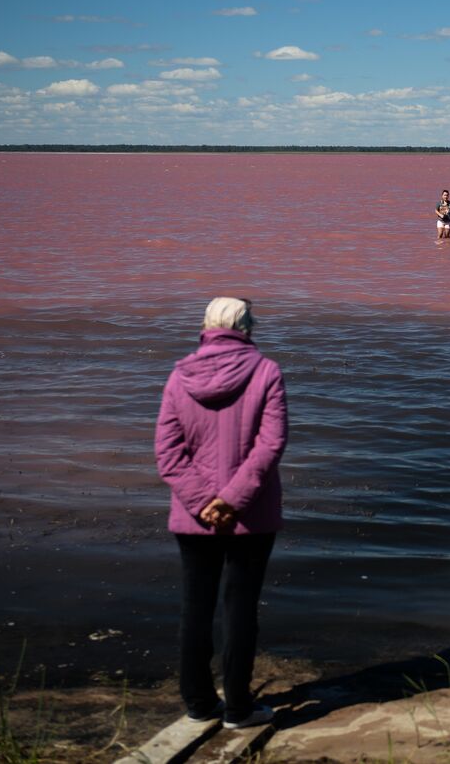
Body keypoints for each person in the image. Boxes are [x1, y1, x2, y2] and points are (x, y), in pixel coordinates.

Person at [155, 297, 287, 729]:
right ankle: (238, 709)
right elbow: (270, 446)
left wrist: (202, 503)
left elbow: (167, 454)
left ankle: (197, 703)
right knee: (240, 608)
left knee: (196, 607)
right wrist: (231, 501)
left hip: (193, 516)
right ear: (248, 328)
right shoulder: (266, 371)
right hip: (251, 514)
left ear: (206, 326)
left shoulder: (179, 375)